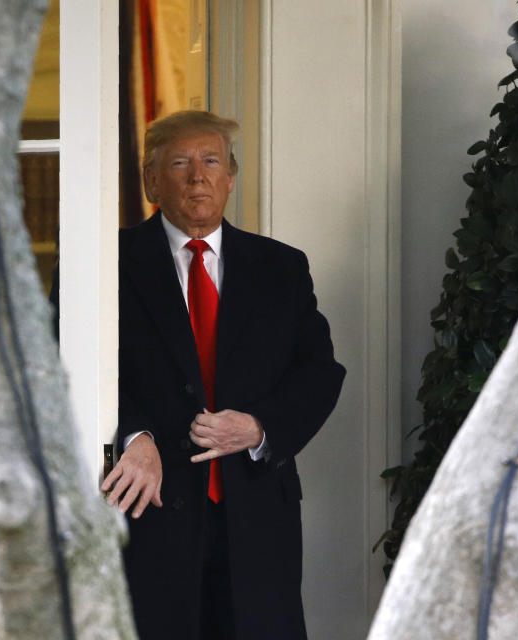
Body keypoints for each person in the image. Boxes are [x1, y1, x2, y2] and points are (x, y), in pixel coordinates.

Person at [100, 110, 345, 640]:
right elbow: (61, 365)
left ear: (231, 177)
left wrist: (259, 427)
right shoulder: (104, 264)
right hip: (150, 515)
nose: (197, 176)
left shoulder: (281, 267)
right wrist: (132, 435)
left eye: (211, 161)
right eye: (180, 163)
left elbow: (320, 374)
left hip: (257, 516)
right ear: (150, 180)